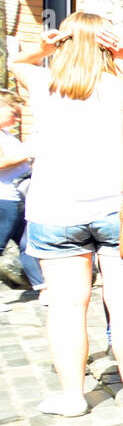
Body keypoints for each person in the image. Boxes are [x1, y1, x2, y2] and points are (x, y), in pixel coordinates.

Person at [9, 12, 123, 416]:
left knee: (67, 305)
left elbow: (17, 62)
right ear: (107, 47)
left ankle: (72, 397)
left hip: (54, 210)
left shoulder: (43, 83)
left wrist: (45, 48)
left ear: (65, 45)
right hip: (117, 211)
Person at [0, 89, 44, 291]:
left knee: (27, 243)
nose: (17, 119)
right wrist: (27, 154)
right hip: (4, 199)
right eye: (13, 113)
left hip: (17, 197)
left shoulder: (6, 135)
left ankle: (43, 287)